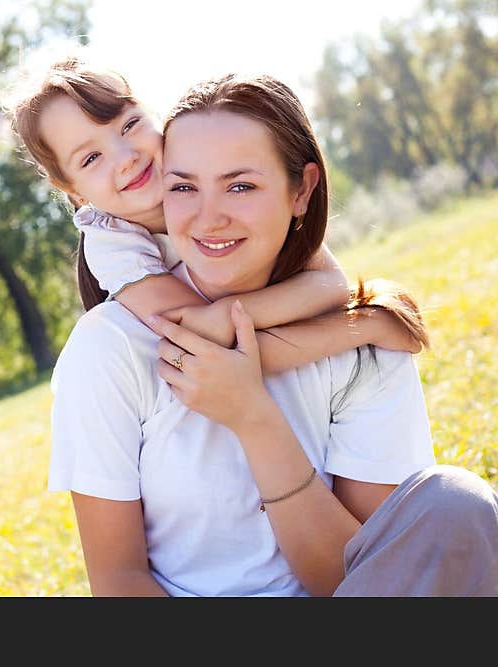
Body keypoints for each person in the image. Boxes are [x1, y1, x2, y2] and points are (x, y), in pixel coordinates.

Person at [40, 71, 498, 595]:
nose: (209, 219)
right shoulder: (111, 339)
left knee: (456, 504)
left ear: (301, 190)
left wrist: (256, 417)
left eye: (240, 185)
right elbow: (119, 580)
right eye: (185, 187)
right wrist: (351, 329)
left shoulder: (358, 343)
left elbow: (364, 577)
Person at [5, 55, 424, 380]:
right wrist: (363, 327)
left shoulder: (204, 166)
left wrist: (234, 316)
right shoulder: (114, 244)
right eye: (92, 157)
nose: (126, 157)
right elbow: (211, 344)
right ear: (74, 191)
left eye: (129, 124)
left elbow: (329, 282)